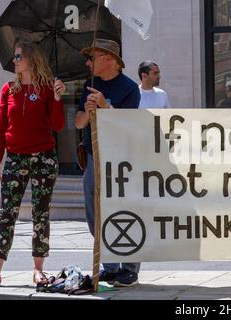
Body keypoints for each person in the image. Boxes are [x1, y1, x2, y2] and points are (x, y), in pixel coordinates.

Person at [0, 41, 66, 286]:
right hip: (15, 159)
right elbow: (1, 127)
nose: (14, 61)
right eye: (15, 57)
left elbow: (58, 125)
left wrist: (58, 98)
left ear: (31, 59)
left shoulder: (48, 88)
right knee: (6, 214)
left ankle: (38, 269)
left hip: (44, 158)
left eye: (18, 57)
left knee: (40, 214)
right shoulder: (8, 89)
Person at [75, 38, 141, 287]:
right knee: (95, 213)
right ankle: (110, 265)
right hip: (94, 156)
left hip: (122, 159)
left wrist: (105, 105)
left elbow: (128, 125)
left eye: (92, 57)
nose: (88, 62)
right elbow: (78, 122)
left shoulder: (129, 87)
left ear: (109, 59)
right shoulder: (89, 85)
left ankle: (130, 268)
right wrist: (89, 113)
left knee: (125, 212)